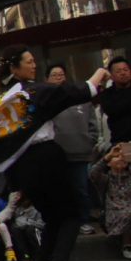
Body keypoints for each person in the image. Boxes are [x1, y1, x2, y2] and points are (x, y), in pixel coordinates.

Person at [0, 44, 109, 261]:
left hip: (20, 166)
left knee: (52, 216)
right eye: (29, 61)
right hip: (45, 156)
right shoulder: (33, 91)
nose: (34, 65)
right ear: (14, 67)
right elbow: (81, 91)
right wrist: (100, 72)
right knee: (73, 211)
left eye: (34, 61)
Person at [47, 64, 100, 235]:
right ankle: (66, 222)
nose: (58, 77)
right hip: (56, 154)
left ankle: (84, 220)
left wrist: (88, 141)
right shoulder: (46, 99)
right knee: (61, 190)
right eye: (54, 75)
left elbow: (93, 126)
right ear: (47, 79)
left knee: (81, 189)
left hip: (80, 151)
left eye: (61, 74)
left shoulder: (81, 98)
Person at [88, 142, 131, 259]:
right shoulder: (106, 179)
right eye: (117, 157)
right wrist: (108, 156)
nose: (121, 159)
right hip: (115, 217)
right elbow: (93, 173)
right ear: (109, 163)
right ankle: (126, 245)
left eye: (123, 156)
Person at [7, 192, 43, 261]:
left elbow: (42, 224)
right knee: (15, 230)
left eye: (19, 195)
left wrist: (27, 222)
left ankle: (40, 256)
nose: (17, 197)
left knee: (31, 230)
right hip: (22, 229)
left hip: (37, 230)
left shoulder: (37, 207)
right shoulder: (19, 208)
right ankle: (25, 257)